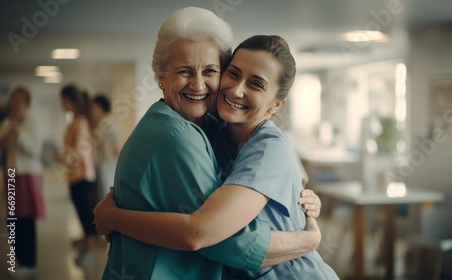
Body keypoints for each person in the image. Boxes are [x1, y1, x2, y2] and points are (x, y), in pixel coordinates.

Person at [94, 7, 323, 280]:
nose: (199, 84)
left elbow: (203, 232)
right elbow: (209, 235)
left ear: (277, 104)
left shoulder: (262, 143)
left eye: (210, 71)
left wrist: (310, 234)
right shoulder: (195, 132)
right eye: (184, 71)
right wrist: (306, 239)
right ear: (160, 77)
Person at [0, 86, 44, 278]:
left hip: (27, 175)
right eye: (13, 99)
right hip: (11, 175)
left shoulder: (33, 122)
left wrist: (18, 134)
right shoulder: (7, 122)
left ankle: (30, 263)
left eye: (20, 100)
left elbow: (35, 150)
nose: (16, 103)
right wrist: (8, 134)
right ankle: (18, 261)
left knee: (26, 221)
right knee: (11, 220)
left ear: (27, 103)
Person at [55, 84, 98, 265]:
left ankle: (90, 249)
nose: (62, 104)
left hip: (82, 175)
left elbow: (80, 150)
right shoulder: (75, 121)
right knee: (81, 212)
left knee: (86, 213)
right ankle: (86, 242)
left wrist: (62, 158)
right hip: (75, 176)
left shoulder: (80, 122)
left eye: (64, 100)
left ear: (71, 102)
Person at [89, 94, 119, 200]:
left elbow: (114, 148)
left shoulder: (107, 124)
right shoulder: (101, 124)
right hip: (104, 164)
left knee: (106, 195)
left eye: (93, 108)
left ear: (99, 107)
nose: (91, 112)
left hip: (107, 164)